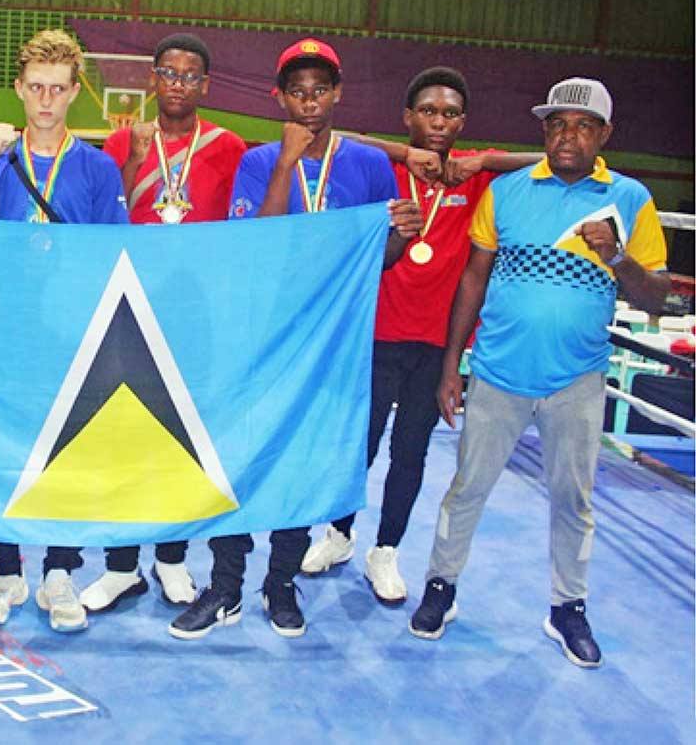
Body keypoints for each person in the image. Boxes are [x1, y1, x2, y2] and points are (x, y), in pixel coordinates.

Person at [408, 78, 669, 669]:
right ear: (544, 131)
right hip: (499, 371)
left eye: (581, 125)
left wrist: (617, 256)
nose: (567, 135)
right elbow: (473, 278)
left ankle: (567, 606)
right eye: (556, 124)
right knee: (466, 489)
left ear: (604, 135)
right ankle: (441, 586)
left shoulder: (630, 200)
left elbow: (655, 297)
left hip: (576, 378)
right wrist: (453, 364)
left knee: (573, 498)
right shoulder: (506, 191)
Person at [170, 38, 422, 640]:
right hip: (260, 337)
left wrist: (399, 234)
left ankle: (280, 582)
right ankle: (226, 585)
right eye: (297, 91)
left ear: (336, 94)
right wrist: (286, 162)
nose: (309, 102)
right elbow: (259, 244)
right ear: (279, 97)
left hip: (329, 343)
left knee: (303, 463)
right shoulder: (259, 161)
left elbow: (378, 261)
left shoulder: (366, 164)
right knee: (240, 457)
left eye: (320, 90)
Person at [298, 68, 540, 603]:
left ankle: (385, 550)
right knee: (357, 446)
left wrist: (483, 161)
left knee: (410, 453)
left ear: (463, 123)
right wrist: (404, 154)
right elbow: (335, 137)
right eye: (427, 111)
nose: (438, 121)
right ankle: (338, 534)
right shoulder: (382, 165)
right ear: (408, 117)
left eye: (450, 113)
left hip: (433, 345)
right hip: (372, 336)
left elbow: (546, 162)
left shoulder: (475, 179)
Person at [0, 29, 128, 633]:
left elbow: (116, 254)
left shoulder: (99, 168)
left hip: (74, 336)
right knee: (1, 450)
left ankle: (59, 570)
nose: (47, 101)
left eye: (58, 89)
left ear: (75, 92)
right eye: (36, 88)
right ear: (19, 89)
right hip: (5, 334)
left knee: (68, 455)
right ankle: (6, 570)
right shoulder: (0, 162)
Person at [81, 32, 246, 613]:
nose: (177, 85)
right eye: (168, 74)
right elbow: (106, 216)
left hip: (193, 311)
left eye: (189, 76)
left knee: (181, 438)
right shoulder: (122, 139)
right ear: (152, 80)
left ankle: (172, 557)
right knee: (123, 435)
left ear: (204, 85)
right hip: (127, 306)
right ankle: (122, 565)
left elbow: (240, 231)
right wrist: (129, 161)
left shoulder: (228, 147)